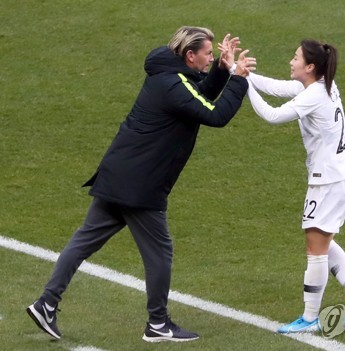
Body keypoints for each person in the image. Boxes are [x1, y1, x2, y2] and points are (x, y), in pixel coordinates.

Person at [26, 26, 256, 343]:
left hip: (119, 174)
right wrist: (239, 79)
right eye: (208, 53)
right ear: (190, 55)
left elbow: (199, 95)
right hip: (140, 184)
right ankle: (158, 324)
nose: (211, 55)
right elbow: (213, 114)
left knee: (84, 241)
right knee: (160, 253)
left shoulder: (171, 74)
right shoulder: (174, 84)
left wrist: (221, 68)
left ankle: (46, 303)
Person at [246, 39, 345, 333]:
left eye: (296, 57)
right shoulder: (323, 83)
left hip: (327, 180)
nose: (291, 61)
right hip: (344, 174)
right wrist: (239, 72)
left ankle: (310, 317)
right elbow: (277, 88)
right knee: (323, 239)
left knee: (315, 247)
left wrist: (242, 84)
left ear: (310, 67)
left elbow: (272, 115)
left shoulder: (314, 94)